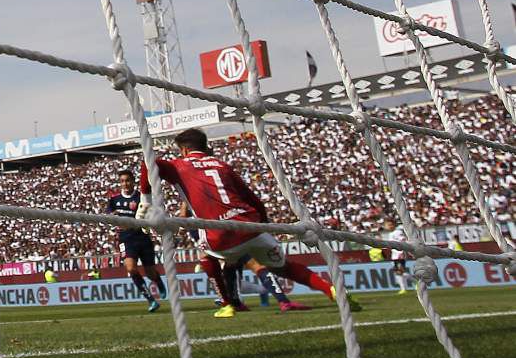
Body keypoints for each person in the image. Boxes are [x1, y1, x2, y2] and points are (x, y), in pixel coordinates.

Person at [139, 127, 360, 319]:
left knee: (205, 256)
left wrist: (145, 202)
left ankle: (227, 305)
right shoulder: (221, 165)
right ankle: (332, 291)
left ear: (184, 150)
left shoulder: (179, 165)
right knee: (285, 267)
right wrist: (263, 225)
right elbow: (252, 198)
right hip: (250, 225)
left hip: (221, 234)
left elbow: (148, 164)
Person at [106, 169, 165, 313]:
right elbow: (108, 216)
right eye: (122, 181)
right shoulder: (114, 200)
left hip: (143, 237)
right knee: (131, 268)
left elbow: (150, 213)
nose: (125, 184)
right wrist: (113, 217)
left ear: (133, 181)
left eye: (127, 180)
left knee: (150, 272)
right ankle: (150, 300)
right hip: (126, 239)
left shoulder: (141, 197)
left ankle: (158, 281)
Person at [383, 219, 408, 295]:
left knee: (399, 271)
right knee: (398, 272)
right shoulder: (391, 234)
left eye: (390, 224)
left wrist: (402, 251)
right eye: (387, 225)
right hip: (394, 255)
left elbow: (403, 240)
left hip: (399, 254)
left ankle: (404, 288)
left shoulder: (398, 232)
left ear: (394, 225)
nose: (388, 226)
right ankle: (405, 287)